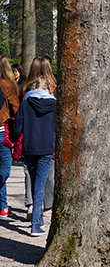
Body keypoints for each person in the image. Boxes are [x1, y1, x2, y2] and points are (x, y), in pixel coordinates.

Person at [13, 71, 56, 236]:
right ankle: (36, 223)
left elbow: (17, 128)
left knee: (34, 182)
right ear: (48, 89)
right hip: (46, 147)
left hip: (29, 146)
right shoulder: (54, 104)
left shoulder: (25, 102)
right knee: (40, 184)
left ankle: (38, 217)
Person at [0, 57, 20, 218]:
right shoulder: (9, 85)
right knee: (5, 170)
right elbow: (16, 109)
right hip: (2, 131)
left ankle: (3, 206)